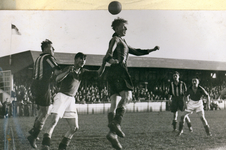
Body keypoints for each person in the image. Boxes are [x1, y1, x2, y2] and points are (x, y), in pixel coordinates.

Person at [104, 17, 159, 150]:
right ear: (117, 28)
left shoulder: (122, 41)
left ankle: (112, 135)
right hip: (119, 71)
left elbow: (136, 51)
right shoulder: (116, 39)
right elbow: (109, 54)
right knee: (127, 97)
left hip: (112, 73)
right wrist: (112, 60)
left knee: (114, 102)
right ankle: (116, 125)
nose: (126, 29)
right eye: (124, 27)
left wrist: (151, 50)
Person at [41, 52, 106, 150]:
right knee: (54, 121)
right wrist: (67, 72)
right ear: (75, 60)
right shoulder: (69, 68)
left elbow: (98, 73)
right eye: (80, 59)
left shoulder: (82, 72)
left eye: (84, 60)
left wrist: (104, 62)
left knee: (74, 128)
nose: (82, 61)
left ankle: (62, 147)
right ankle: (45, 145)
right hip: (62, 96)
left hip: (71, 100)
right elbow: (58, 79)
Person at [27, 39, 61, 149]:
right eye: (52, 48)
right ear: (46, 49)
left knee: (41, 111)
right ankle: (33, 136)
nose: (53, 50)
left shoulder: (38, 58)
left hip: (34, 86)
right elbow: (57, 71)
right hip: (43, 86)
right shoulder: (48, 57)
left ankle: (33, 129)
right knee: (45, 113)